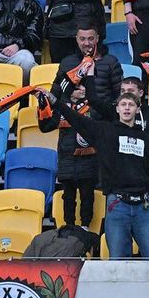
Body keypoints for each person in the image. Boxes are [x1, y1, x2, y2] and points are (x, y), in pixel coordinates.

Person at [51, 85, 149, 258]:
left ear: (138, 109)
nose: (127, 108)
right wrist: (55, 102)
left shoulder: (147, 139)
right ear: (117, 109)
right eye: (123, 104)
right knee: (117, 259)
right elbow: (77, 119)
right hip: (117, 205)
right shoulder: (105, 131)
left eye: (131, 105)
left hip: (144, 207)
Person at [38, 78, 100, 228]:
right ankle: (69, 226)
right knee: (68, 196)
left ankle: (85, 226)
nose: (82, 89)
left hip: (88, 158)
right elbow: (45, 127)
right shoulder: (60, 107)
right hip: (66, 158)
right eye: (78, 87)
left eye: (84, 87)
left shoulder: (93, 107)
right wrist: (42, 106)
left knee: (87, 195)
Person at [54, 24, 123, 106]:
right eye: (82, 39)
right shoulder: (67, 62)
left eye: (90, 39)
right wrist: (70, 93)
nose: (86, 43)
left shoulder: (111, 62)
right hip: (71, 111)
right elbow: (55, 93)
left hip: (100, 112)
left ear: (97, 38)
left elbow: (120, 95)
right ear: (76, 39)